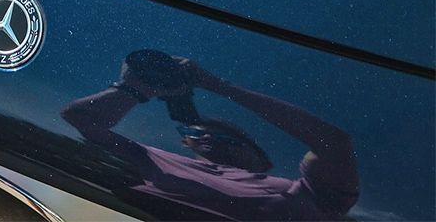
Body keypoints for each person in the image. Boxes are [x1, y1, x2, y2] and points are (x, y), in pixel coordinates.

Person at [62, 57, 359, 221]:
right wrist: (134, 88)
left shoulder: (303, 192)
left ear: (263, 160)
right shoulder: (156, 158)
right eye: (192, 134)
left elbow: (334, 144)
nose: (206, 137)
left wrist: (216, 84)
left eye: (227, 138)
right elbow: (79, 118)